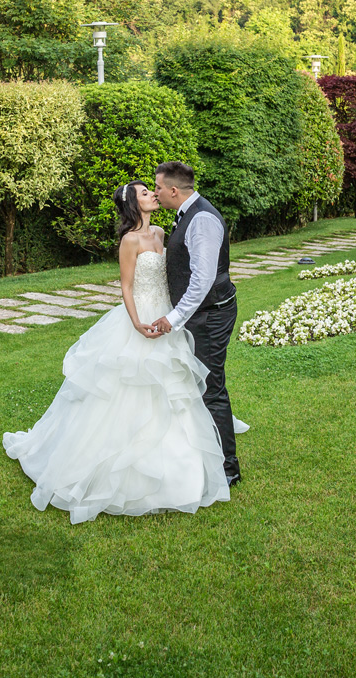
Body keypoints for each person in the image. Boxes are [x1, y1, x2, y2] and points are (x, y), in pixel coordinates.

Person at [3, 181, 232, 522]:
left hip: (164, 315)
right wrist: (137, 321)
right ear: (132, 204)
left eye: (152, 191)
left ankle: (181, 471)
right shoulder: (129, 241)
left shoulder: (160, 232)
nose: (153, 195)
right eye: (145, 193)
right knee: (126, 390)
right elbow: (125, 286)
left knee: (172, 391)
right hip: (138, 318)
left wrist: (172, 316)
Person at [145, 161, 244, 486]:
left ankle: (228, 469)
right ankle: (202, 452)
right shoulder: (188, 213)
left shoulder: (201, 219)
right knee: (198, 384)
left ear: (174, 190)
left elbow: (201, 281)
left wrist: (172, 319)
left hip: (211, 314)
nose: (156, 192)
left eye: (158, 187)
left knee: (211, 388)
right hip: (202, 313)